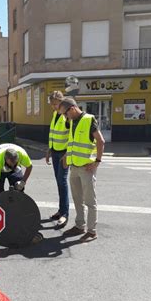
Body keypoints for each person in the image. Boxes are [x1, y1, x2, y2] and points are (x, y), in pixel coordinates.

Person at [59, 97, 105, 242]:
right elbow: (74, 143)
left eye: (65, 113)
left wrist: (97, 161)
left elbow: (100, 141)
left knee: (90, 201)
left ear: (72, 109)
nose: (65, 117)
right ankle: (80, 226)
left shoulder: (88, 120)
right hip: (74, 167)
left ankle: (91, 231)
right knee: (77, 199)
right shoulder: (72, 122)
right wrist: (66, 156)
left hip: (86, 168)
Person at [46, 91, 70, 228]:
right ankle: (61, 210)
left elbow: (71, 135)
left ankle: (65, 214)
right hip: (55, 151)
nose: (53, 107)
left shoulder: (66, 116)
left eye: (55, 104)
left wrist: (67, 153)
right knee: (59, 182)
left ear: (61, 102)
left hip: (63, 154)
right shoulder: (55, 115)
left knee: (62, 182)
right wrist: (49, 149)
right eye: (52, 104)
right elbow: (52, 133)